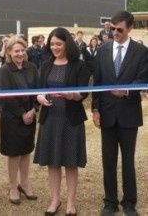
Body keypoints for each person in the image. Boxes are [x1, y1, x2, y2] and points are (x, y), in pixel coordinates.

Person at [92, 11, 148, 216]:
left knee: (128, 160)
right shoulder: (103, 50)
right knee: (108, 160)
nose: (115, 32)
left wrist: (125, 91)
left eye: (120, 29)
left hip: (128, 114)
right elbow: (97, 82)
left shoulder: (141, 52)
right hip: (106, 114)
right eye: (112, 28)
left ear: (130, 28)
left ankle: (130, 203)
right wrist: (95, 109)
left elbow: (142, 78)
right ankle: (110, 202)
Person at [34, 27, 90, 216]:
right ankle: (55, 199)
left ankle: (71, 203)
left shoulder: (79, 65)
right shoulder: (46, 64)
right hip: (50, 118)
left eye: (58, 43)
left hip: (71, 120)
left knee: (71, 162)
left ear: (67, 44)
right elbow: (39, 90)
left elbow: (84, 93)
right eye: (52, 44)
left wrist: (72, 95)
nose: (55, 47)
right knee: (53, 162)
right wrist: (40, 97)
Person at [0, 36, 39, 205]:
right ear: (9, 52)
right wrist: (22, 113)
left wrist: (33, 109)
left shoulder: (32, 67)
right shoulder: (5, 70)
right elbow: (6, 97)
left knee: (26, 151)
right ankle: (13, 186)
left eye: (22, 50)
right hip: (12, 118)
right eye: (16, 51)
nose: (20, 53)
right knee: (14, 153)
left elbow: (39, 90)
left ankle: (25, 183)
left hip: (30, 115)